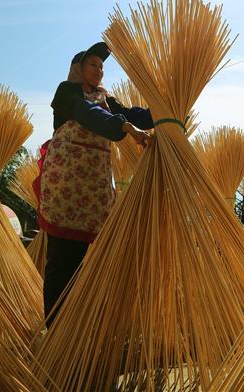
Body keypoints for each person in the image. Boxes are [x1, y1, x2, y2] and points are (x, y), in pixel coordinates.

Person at [35, 41, 153, 327]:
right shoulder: (67, 92)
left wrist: (165, 110)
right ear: (78, 68)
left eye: (102, 66)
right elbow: (88, 114)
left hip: (92, 188)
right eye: (93, 64)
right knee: (61, 260)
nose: (99, 70)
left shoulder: (105, 98)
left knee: (80, 260)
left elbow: (135, 114)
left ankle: (71, 325)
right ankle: (54, 327)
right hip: (66, 184)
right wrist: (125, 127)